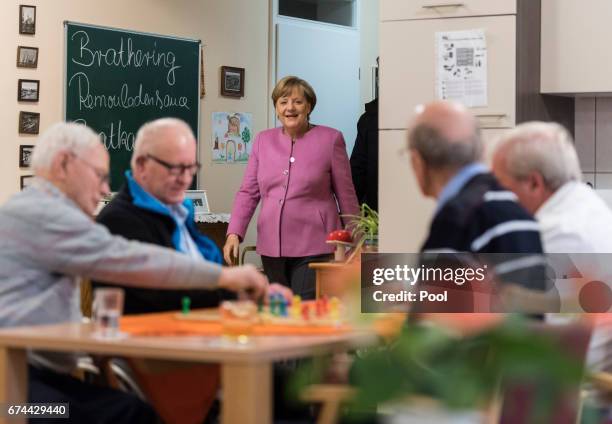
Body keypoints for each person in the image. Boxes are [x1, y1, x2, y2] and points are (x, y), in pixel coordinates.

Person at [0, 122, 271, 424]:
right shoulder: (45, 215)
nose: (105, 189)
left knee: (132, 409)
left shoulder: (29, 210)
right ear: (64, 164)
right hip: (13, 398)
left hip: (41, 378)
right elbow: (132, 260)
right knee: (132, 414)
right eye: (100, 176)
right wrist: (224, 276)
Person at [224, 75, 360, 299]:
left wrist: (356, 242)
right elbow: (248, 192)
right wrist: (234, 234)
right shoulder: (262, 141)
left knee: (303, 308)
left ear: (309, 106)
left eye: (297, 101)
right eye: (283, 101)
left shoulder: (331, 139)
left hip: (315, 244)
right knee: (279, 310)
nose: (290, 108)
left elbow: (346, 195)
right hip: (271, 245)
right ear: (276, 108)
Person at [491, 121, 612, 371]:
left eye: (500, 187)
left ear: (534, 184)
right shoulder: (588, 207)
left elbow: (536, 345)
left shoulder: (557, 235)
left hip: (569, 392)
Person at [406, 101, 548, 311]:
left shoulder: (455, 221)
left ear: (418, 161)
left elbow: (432, 330)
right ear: (480, 151)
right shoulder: (518, 209)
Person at [95, 118, 228, 314]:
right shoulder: (118, 219)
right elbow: (164, 295)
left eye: (191, 169)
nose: (185, 179)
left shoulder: (180, 211)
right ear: (141, 165)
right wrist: (235, 291)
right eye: (175, 169)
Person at [350, 97, 378, 212]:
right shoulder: (368, 119)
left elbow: (357, 169)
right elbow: (357, 168)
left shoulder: (368, 119)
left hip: (374, 211)